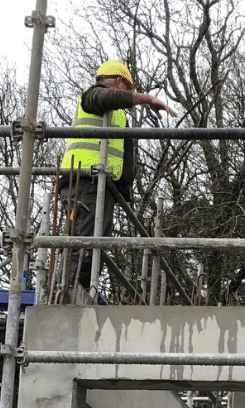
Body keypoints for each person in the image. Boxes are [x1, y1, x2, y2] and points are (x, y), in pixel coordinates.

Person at [59, 60, 176, 293]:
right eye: (128, 89)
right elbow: (107, 98)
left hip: (102, 186)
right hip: (85, 180)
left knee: (96, 245)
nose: (128, 96)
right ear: (119, 82)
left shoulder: (116, 115)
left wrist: (122, 191)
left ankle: (81, 293)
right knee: (83, 243)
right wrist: (148, 99)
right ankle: (68, 295)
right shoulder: (93, 97)